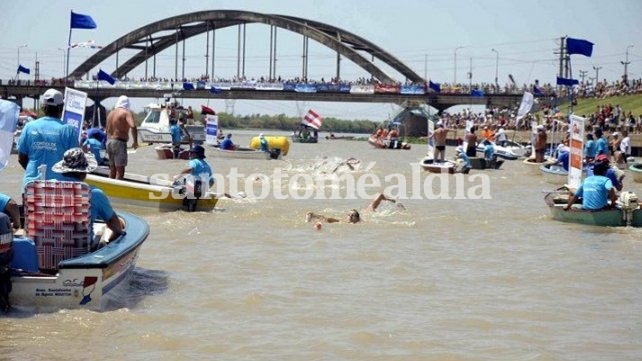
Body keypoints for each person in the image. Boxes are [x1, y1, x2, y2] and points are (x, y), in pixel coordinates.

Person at [51, 148, 124, 243]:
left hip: (43, 250)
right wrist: (110, 241)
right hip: (81, 251)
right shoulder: (93, 193)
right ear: (84, 173)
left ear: (62, 170)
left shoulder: (43, 188)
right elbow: (116, 227)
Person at [17, 88, 79, 191]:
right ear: (61, 108)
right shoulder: (68, 130)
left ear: (43, 107)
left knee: (29, 207)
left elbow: (21, 158)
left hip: (31, 187)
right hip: (58, 188)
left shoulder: (29, 127)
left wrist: (35, 173)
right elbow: (75, 163)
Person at [305, 193, 402, 224]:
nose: (351, 217)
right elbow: (328, 219)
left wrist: (394, 201)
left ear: (358, 218)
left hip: (368, 215)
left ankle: (395, 202)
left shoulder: (365, 220)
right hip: (364, 214)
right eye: (349, 215)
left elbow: (380, 195)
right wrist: (313, 215)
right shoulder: (344, 222)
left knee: (373, 204)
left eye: (353, 216)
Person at [105, 95, 139, 179]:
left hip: (109, 141)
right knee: (120, 170)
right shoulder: (126, 112)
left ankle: (109, 189)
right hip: (119, 142)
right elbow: (133, 126)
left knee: (112, 169)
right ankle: (117, 190)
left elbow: (106, 129)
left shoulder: (111, 113)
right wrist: (135, 142)